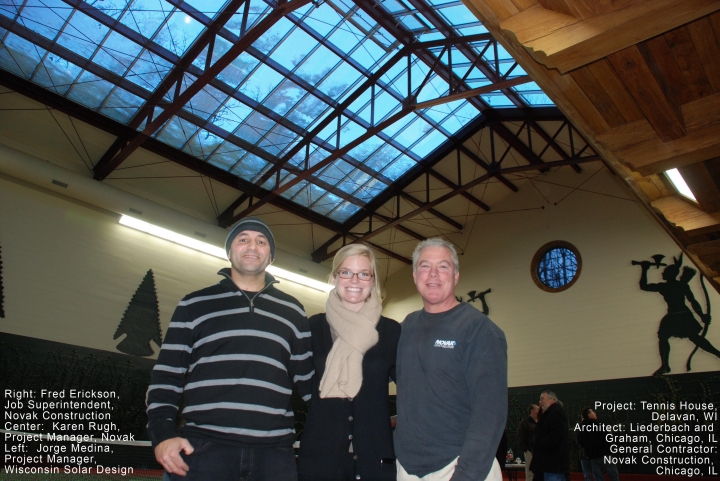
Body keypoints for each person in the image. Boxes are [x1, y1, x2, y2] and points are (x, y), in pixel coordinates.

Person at [146, 217, 313, 481]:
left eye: (261, 241)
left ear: (270, 256)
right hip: (202, 449)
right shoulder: (194, 304)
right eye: (243, 239)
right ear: (229, 251)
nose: (252, 246)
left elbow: (308, 383)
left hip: (274, 456)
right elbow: (166, 377)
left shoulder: (293, 311)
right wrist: (162, 435)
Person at [394, 237, 508, 481]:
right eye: (425, 266)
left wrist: (467, 474)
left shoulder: (479, 330)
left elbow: (490, 414)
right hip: (407, 469)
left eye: (443, 266)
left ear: (456, 276)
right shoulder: (405, 327)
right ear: (415, 275)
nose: (433, 274)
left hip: (460, 468)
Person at [298, 244, 400, 481]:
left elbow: (414, 391)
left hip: (375, 464)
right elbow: (301, 385)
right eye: (346, 272)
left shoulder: (391, 331)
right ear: (334, 277)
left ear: (372, 281)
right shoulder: (312, 328)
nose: (355, 279)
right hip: (319, 464)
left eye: (364, 273)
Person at [638, 254, 720, 376]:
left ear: (670, 274)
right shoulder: (670, 286)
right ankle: (665, 366)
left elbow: (692, 301)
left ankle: (718, 354)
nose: (662, 274)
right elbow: (644, 287)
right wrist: (701, 315)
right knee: (666, 337)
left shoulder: (671, 286)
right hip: (674, 315)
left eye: (664, 272)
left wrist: (702, 315)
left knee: (693, 337)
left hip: (681, 315)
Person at [530, 391, 570, 481]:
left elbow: (556, 435)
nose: (540, 402)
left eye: (542, 399)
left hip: (552, 464)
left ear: (552, 400)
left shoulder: (555, 413)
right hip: (548, 464)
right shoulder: (550, 414)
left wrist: (539, 444)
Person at [577, 408, 620, 481]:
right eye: (592, 412)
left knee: (598, 477)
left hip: (593, 457)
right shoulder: (598, 424)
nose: (595, 413)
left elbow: (580, 442)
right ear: (589, 415)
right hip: (605, 454)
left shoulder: (581, 428)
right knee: (613, 475)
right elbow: (608, 437)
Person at [517, 404, 539, 481]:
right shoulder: (525, 423)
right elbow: (520, 438)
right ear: (531, 411)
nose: (539, 410)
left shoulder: (540, 422)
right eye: (537, 409)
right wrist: (526, 450)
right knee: (530, 473)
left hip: (539, 451)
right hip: (530, 451)